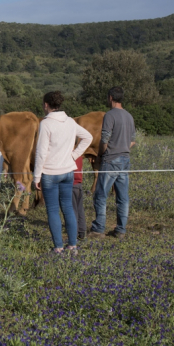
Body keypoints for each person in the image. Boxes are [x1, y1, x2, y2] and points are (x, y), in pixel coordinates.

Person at [33, 91, 93, 253]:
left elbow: (41, 152)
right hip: (68, 172)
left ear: (46, 105)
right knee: (67, 207)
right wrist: (73, 155)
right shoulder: (71, 122)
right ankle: (73, 246)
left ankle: (58, 247)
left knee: (52, 210)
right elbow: (88, 137)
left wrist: (36, 176)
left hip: (50, 173)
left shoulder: (46, 124)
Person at [90, 86, 136, 238]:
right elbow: (133, 141)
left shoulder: (110, 115)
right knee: (122, 197)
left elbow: (104, 139)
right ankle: (121, 230)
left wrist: (102, 153)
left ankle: (98, 229)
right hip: (125, 159)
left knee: (101, 195)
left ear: (110, 97)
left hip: (110, 159)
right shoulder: (129, 116)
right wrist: (123, 147)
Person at [72, 155, 87, 241]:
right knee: (79, 208)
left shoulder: (69, 154)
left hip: (71, 184)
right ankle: (82, 231)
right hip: (79, 184)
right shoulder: (80, 155)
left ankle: (74, 231)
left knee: (72, 209)